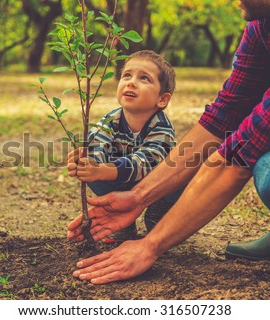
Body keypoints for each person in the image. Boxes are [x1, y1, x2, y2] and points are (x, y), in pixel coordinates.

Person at [67, 0, 270, 284]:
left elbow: (243, 152)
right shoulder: (263, 27)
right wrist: (139, 196)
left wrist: (150, 245)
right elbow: (222, 118)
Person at [67, 50, 184, 242]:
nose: (131, 82)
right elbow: (97, 143)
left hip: (159, 185)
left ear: (162, 99)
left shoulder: (161, 126)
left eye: (144, 78)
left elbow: (146, 161)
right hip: (124, 179)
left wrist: (105, 170)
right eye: (126, 75)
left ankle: (162, 213)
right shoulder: (111, 119)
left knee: (182, 174)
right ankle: (124, 223)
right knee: (94, 173)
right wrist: (88, 163)